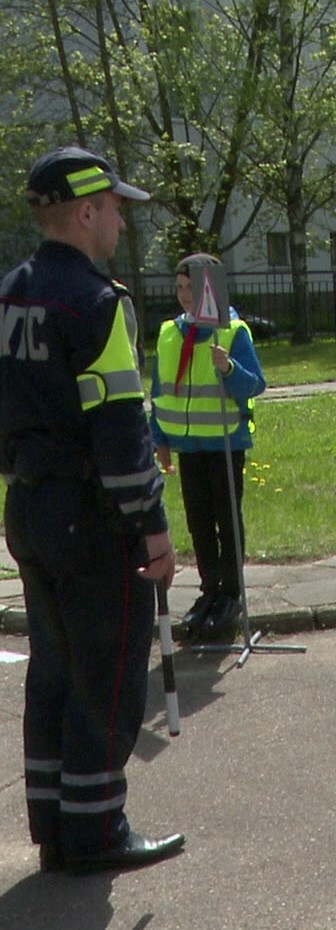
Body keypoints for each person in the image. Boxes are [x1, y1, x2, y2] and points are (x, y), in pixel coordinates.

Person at [3, 146, 184, 873]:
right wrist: (154, 527)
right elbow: (120, 428)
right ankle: (97, 831)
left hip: (28, 508)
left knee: (51, 670)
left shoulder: (12, 292)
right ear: (85, 212)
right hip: (92, 517)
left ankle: (52, 822)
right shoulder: (99, 303)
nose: (119, 221)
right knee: (106, 674)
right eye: (114, 208)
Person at [151, 252, 267, 641]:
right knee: (199, 520)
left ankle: (230, 594)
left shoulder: (232, 332)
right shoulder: (170, 332)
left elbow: (255, 384)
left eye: (191, 288)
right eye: (179, 287)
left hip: (224, 442)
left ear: (208, 290)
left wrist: (229, 368)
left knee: (225, 519)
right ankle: (208, 590)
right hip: (189, 445)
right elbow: (160, 389)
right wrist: (160, 438)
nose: (185, 296)